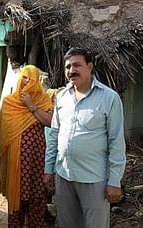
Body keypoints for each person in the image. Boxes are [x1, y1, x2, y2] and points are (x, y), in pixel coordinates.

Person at [44, 47, 126, 228]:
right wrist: (49, 169)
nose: (71, 71)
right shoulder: (62, 97)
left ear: (90, 67)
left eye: (77, 65)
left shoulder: (109, 98)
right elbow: (54, 136)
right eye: (67, 67)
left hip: (94, 179)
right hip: (64, 176)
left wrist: (114, 181)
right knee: (67, 224)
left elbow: (116, 141)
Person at [0, 65, 53, 228]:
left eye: (30, 78)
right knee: (16, 202)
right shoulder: (9, 102)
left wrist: (30, 105)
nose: (26, 81)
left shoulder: (43, 100)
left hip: (36, 160)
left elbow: (50, 122)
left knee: (36, 200)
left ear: (37, 82)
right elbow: (3, 134)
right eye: (24, 77)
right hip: (15, 162)